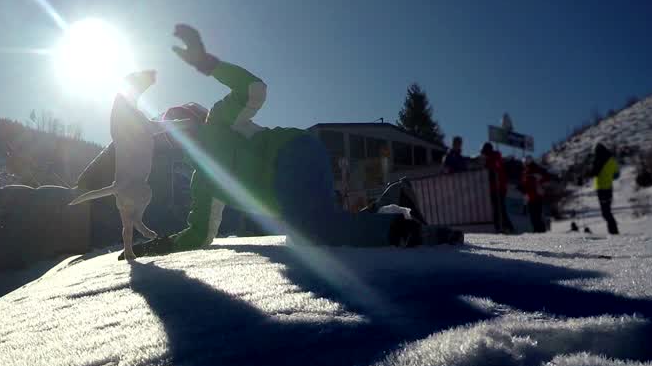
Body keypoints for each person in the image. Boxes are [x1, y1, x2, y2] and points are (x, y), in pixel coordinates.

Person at [112, 25, 457, 257]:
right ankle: (393, 199)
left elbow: (253, 89)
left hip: (291, 155)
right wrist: (153, 248)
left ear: (193, 118)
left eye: (181, 125)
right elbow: (199, 236)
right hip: (290, 187)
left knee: (314, 233)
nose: (178, 136)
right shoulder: (202, 183)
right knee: (316, 230)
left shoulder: (219, 119)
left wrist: (206, 62)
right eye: (171, 133)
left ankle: (408, 234)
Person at [480, 142, 515, 233]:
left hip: (499, 188)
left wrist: (492, 171)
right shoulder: (488, 160)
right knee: (496, 208)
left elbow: (497, 169)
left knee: (499, 208)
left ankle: (504, 227)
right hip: (493, 188)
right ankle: (501, 227)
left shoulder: (495, 157)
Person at [591, 143, 620, 234]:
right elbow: (616, 175)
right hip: (609, 188)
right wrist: (609, 176)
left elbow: (594, 172)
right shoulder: (612, 160)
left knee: (605, 212)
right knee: (607, 211)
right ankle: (613, 231)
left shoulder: (598, 159)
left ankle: (614, 232)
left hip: (601, 188)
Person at [521, 160, 547, 232]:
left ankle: (538, 230)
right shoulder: (536, 175)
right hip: (536, 198)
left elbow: (527, 187)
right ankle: (539, 230)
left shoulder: (530, 176)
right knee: (536, 215)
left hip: (534, 198)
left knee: (535, 216)